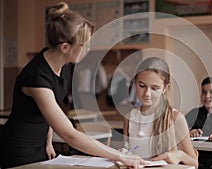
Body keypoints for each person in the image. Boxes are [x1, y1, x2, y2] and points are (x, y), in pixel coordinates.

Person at [0, 2, 144, 169]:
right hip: (19, 150)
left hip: (41, 146)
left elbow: (48, 110)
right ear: (65, 47)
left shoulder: (63, 66)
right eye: (84, 46)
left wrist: (48, 141)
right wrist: (120, 156)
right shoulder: (36, 77)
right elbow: (70, 135)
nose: (88, 50)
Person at [123, 57, 199, 168]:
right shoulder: (129, 117)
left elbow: (195, 163)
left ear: (165, 88)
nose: (147, 93)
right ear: (135, 83)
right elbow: (129, 150)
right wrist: (124, 153)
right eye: (142, 86)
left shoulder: (175, 118)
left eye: (154, 88)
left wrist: (180, 155)